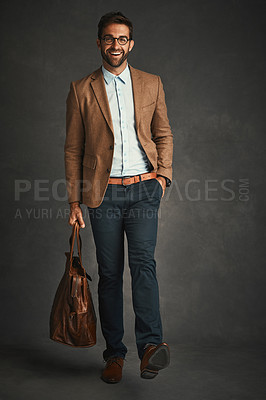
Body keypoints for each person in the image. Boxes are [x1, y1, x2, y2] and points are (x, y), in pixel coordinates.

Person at [64, 11, 173, 383]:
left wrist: (163, 178)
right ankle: (114, 355)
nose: (116, 45)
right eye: (109, 38)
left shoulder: (151, 83)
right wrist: (74, 202)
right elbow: (73, 150)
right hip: (102, 194)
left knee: (144, 266)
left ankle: (150, 349)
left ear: (131, 44)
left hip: (145, 190)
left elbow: (164, 134)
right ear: (99, 43)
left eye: (122, 39)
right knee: (109, 275)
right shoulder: (82, 89)